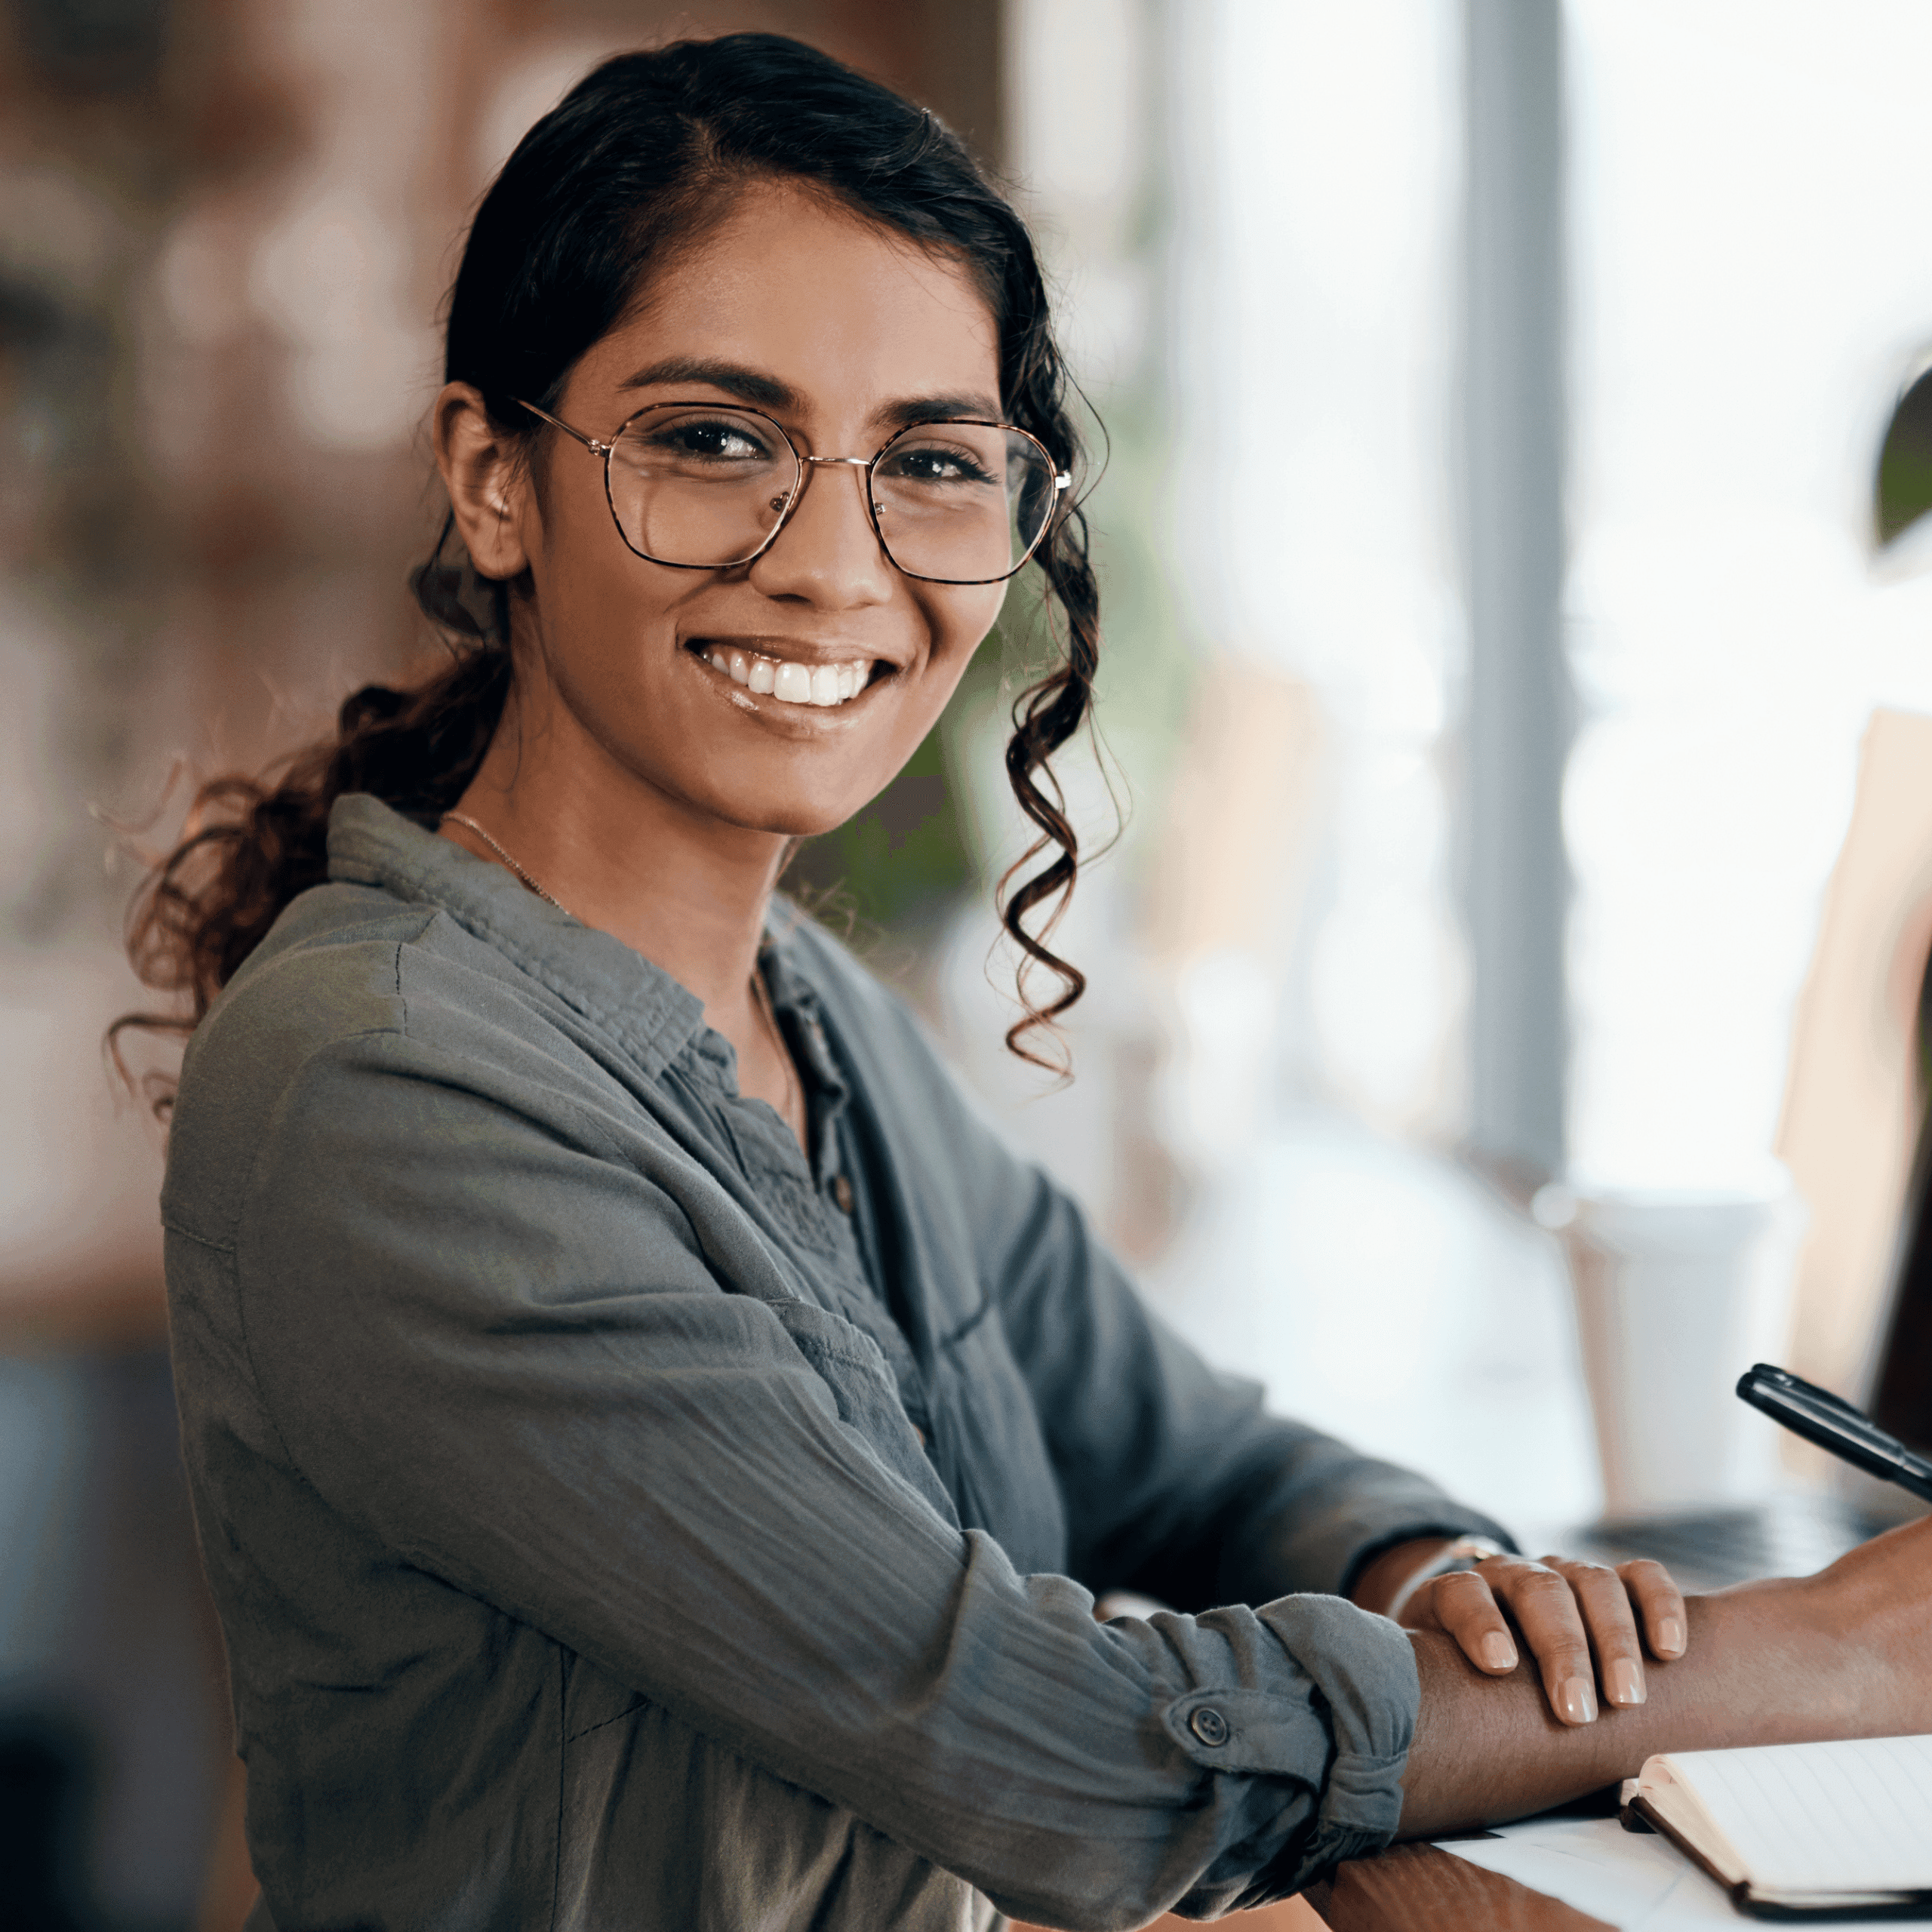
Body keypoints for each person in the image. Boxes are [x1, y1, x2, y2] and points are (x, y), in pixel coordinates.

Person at [125, 34, 1932, 1932]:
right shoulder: (385, 1091)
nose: (835, 563)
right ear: (493, 480)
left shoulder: (806, 1015)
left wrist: (1439, 1578)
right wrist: (1827, 1653)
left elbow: (1194, 1451)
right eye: (714, 439)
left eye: (928, 462)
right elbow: (1053, 1748)